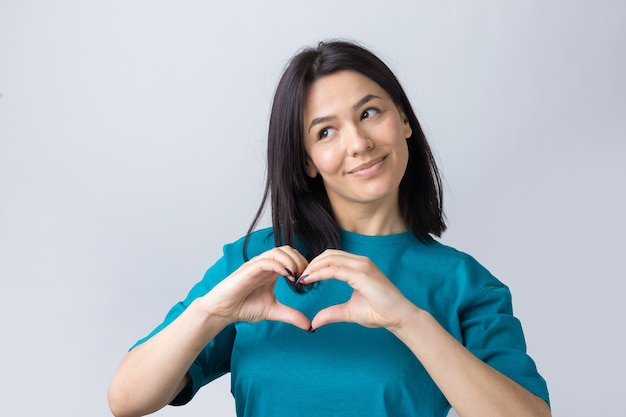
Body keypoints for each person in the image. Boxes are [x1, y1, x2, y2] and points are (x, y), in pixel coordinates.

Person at [108, 40, 551, 417]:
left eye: (370, 113)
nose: (359, 144)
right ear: (306, 162)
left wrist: (408, 321)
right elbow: (127, 400)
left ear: (404, 121)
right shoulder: (254, 264)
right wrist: (210, 315)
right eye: (325, 133)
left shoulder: (465, 285)